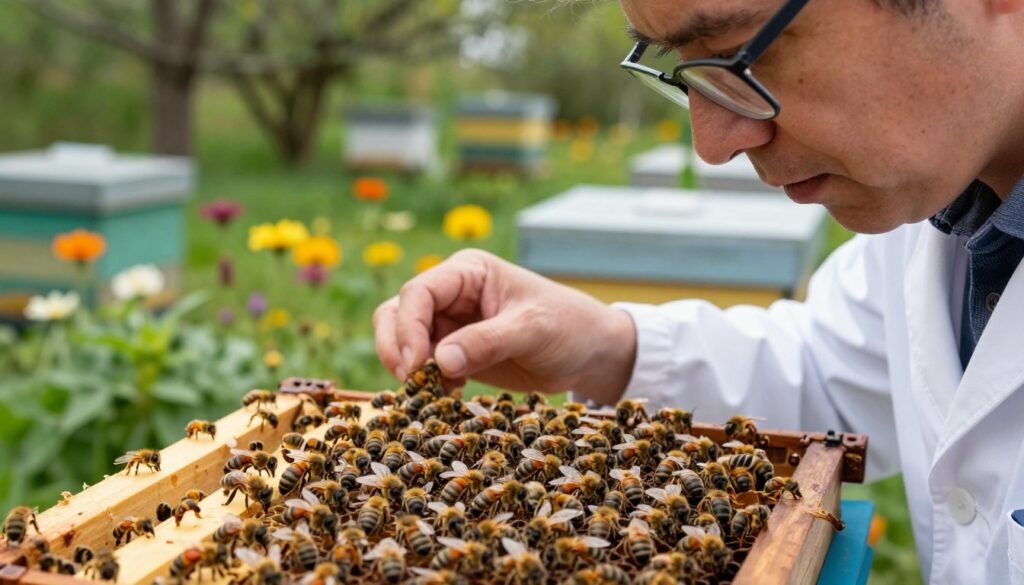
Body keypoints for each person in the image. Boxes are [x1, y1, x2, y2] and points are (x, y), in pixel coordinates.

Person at [373, 0, 1024, 582]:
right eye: (683, 68)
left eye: (747, 52)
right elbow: (836, 370)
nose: (711, 145)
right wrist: (607, 347)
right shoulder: (950, 203)